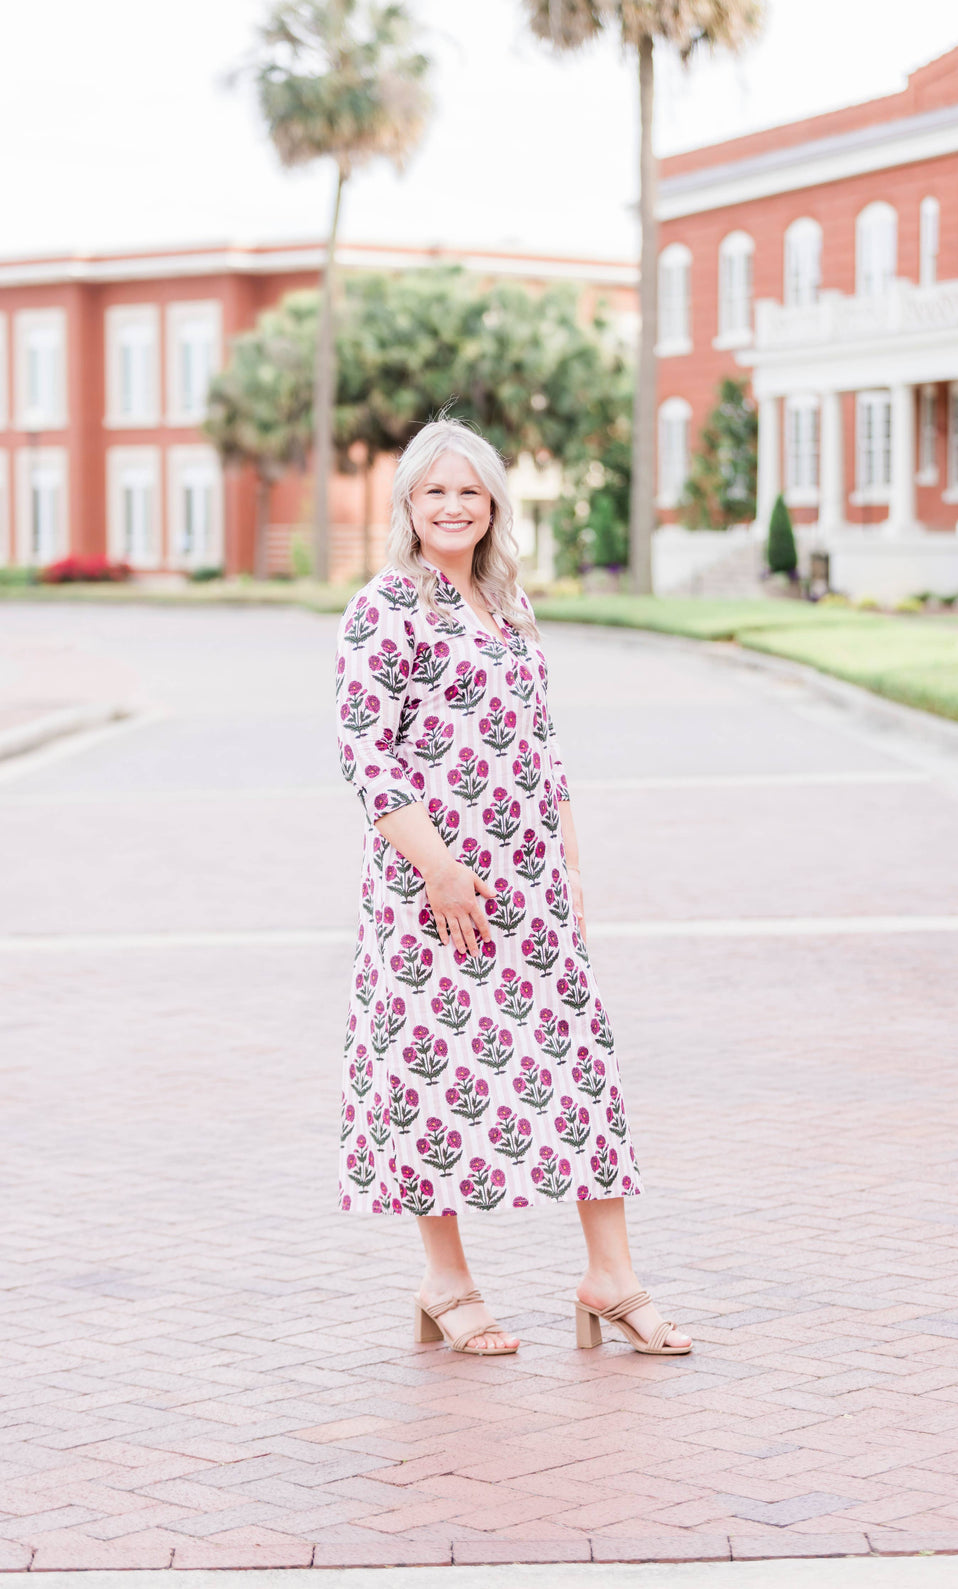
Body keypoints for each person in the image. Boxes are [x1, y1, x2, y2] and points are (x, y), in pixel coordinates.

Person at [335, 417, 691, 1359]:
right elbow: (368, 759)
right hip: (431, 892)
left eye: (470, 491)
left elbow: (543, 745)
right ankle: (446, 1280)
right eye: (434, 492)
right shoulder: (385, 609)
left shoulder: (509, 603)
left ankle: (611, 1276)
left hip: (532, 890)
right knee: (431, 1074)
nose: (453, 507)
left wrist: (569, 870)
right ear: (408, 506)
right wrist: (441, 871)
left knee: (581, 1065)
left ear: (493, 503)